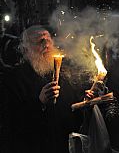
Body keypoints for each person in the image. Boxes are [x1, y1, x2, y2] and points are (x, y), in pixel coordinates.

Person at [0, 25, 114, 153]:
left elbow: (74, 113)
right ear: (26, 49)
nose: (46, 44)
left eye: (48, 39)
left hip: (65, 145)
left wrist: (86, 103)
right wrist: (40, 103)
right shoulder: (14, 79)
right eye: (39, 41)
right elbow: (12, 123)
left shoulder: (66, 74)